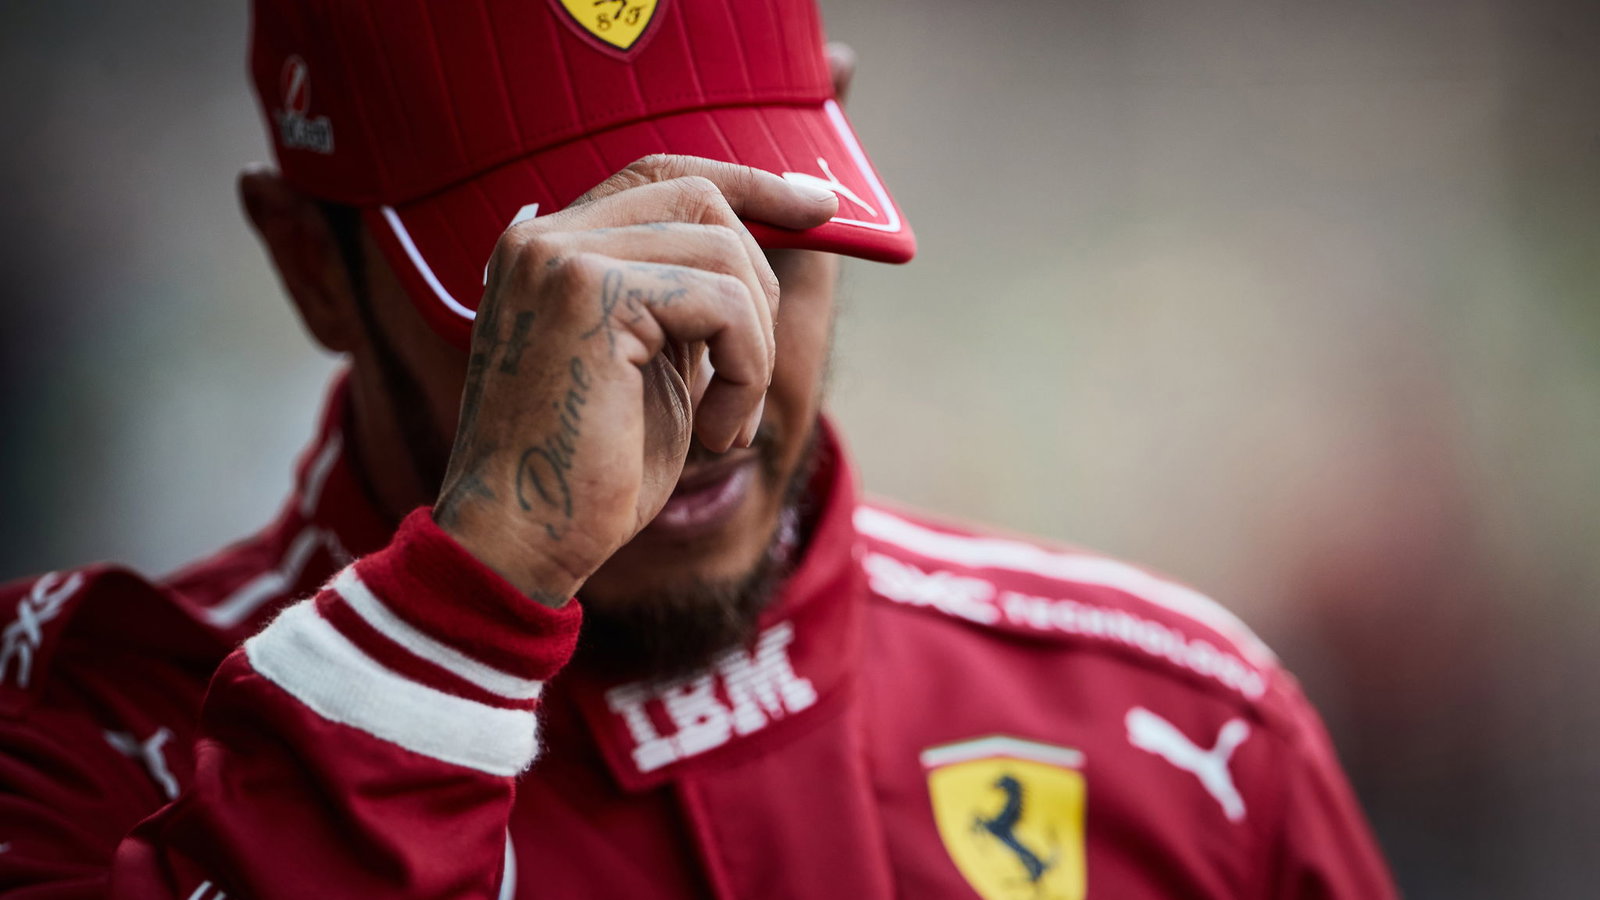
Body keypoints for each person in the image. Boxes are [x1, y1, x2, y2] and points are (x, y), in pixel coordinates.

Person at [0, 0, 1397, 897]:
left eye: (766, 245)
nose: (718, 389)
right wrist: (475, 596)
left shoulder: (1191, 738)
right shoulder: (76, 735)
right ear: (310, 264)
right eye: (554, 303)